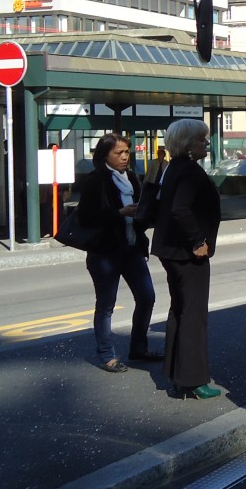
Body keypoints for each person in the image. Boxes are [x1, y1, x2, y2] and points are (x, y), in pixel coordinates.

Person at [76, 133, 160, 373]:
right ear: (105, 155)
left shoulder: (131, 178)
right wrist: (119, 213)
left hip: (132, 248)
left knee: (147, 297)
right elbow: (86, 218)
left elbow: (142, 210)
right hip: (105, 252)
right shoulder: (96, 180)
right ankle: (107, 355)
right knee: (106, 305)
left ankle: (139, 347)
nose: (124, 157)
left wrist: (144, 213)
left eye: (126, 152)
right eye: (118, 153)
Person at [151, 119, 222, 400]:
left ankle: (176, 374)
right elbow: (180, 209)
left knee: (179, 309)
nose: (206, 143)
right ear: (189, 144)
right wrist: (198, 241)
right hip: (187, 252)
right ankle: (194, 381)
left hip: (170, 250)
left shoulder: (173, 167)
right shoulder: (190, 171)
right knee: (194, 314)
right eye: (202, 139)